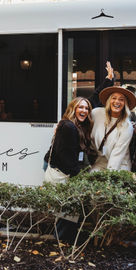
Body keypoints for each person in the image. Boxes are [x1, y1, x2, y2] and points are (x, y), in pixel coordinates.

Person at [43, 97, 93, 241]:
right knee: (68, 210)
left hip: (62, 169)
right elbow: (66, 157)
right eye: (80, 107)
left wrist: (108, 81)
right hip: (61, 172)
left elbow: (94, 101)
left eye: (86, 108)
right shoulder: (69, 127)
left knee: (66, 211)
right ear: (73, 109)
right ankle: (61, 241)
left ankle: (63, 238)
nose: (84, 110)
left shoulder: (75, 125)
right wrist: (80, 175)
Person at [90, 85, 136, 171]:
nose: (117, 101)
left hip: (120, 164)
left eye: (121, 99)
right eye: (114, 98)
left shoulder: (127, 126)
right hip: (100, 161)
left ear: (125, 104)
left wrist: (109, 179)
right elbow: (81, 122)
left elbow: (117, 156)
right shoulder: (96, 113)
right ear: (109, 100)